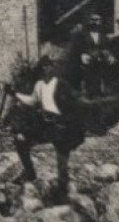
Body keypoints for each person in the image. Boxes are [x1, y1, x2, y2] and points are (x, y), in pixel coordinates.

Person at [10, 56, 86, 202]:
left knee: (61, 157)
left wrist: (68, 122)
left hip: (60, 124)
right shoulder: (39, 85)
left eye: (49, 67)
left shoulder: (62, 85)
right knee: (20, 140)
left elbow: (74, 105)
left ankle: (62, 189)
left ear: (53, 68)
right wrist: (15, 94)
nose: (46, 70)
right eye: (43, 67)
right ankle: (29, 172)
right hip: (44, 123)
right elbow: (32, 101)